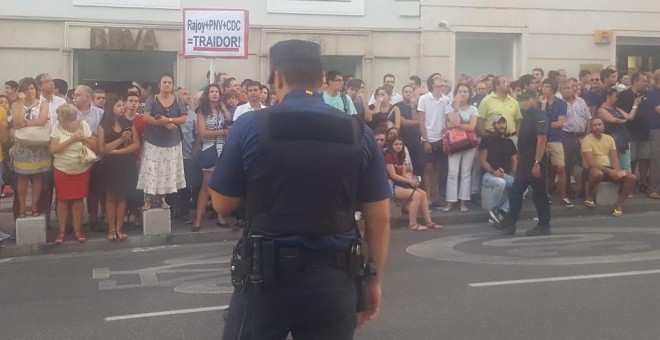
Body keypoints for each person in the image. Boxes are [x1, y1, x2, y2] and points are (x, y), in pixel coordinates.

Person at [210, 39, 390, 339]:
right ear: (322, 79)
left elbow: (221, 202)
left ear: (278, 78)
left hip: (265, 281)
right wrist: (373, 280)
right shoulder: (360, 132)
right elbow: (380, 217)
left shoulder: (250, 126)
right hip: (334, 281)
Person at [492, 91, 551, 236]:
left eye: (526, 100)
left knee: (539, 194)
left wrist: (537, 162)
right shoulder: (526, 117)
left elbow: (542, 140)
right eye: (521, 100)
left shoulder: (540, 116)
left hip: (535, 160)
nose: (523, 103)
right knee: (516, 192)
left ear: (534, 99)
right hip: (524, 160)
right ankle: (509, 223)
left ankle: (544, 225)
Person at [138, 74, 187, 210]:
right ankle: (148, 200)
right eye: (164, 82)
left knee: (166, 170)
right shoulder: (152, 99)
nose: (167, 85)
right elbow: (146, 117)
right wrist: (163, 123)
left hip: (172, 141)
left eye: (169, 82)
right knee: (151, 170)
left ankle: (162, 199)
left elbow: (183, 118)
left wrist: (169, 120)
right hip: (153, 140)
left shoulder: (177, 100)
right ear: (159, 84)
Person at [50, 104, 96, 244]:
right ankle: (62, 231)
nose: (57, 118)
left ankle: (78, 230)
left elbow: (94, 144)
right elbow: (53, 149)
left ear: (68, 118)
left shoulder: (83, 125)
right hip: (62, 169)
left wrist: (82, 138)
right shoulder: (56, 128)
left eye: (60, 116)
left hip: (81, 169)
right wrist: (72, 139)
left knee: (78, 200)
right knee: (62, 200)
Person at [98, 94, 141, 241]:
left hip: (125, 163)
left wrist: (118, 151)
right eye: (118, 105)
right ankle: (111, 229)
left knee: (123, 197)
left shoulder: (129, 124)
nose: (122, 108)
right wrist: (121, 140)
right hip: (110, 165)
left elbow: (136, 144)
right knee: (110, 198)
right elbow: (102, 149)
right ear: (111, 107)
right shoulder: (103, 126)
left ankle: (119, 227)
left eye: (123, 105)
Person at [9, 77, 52, 217]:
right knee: (22, 177)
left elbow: (42, 121)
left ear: (36, 89)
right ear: (21, 91)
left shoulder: (43, 104)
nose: (30, 92)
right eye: (26, 89)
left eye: (32, 88)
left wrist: (25, 124)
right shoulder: (16, 105)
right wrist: (20, 103)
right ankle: (22, 207)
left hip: (39, 145)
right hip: (22, 146)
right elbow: (16, 122)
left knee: (38, 176)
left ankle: (34, 206)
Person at [582, 118, 637, 216]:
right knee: (597, 174)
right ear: (591, 128)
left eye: (600, 124)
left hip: (608, 169)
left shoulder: (609, 139)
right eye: (595, 125)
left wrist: (617, 171)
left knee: (632, 178)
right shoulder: (587, 140)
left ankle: (618, 206)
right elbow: (590, 162)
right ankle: (589, 195)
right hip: (592, 169)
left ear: (603, 126)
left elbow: (615, 158)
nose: (598, 127)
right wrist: (609, 171)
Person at [193, 84, 230, 231]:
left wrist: (224, 107)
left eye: (217, 92)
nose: (215, 94)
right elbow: (203, 133)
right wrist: (222, 132)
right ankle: (198, 219)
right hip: (209, 149)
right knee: (206, 186)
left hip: (223, 149)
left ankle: (221, 217)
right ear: (207, 94)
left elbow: (229, 118)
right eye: (212, 92)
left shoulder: (221, 110)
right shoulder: (202, 111)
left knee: (220, 186)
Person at [384, 136, 439, 231]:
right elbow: (393, 175)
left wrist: (412, 180)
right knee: (416, 195)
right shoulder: (388, 156)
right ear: (391, 145)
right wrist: (409, 181)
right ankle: (412, 223)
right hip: (391, 185)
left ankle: (428, 221)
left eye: (400, 144)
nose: (398, 146)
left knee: (423, 193)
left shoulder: (401, 155)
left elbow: (403, 173)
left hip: (400, 183)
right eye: (396, 144)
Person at [73, 85, 104, 231]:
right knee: (75, 192)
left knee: (94, 191)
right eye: (74, 94)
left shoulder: (100, 114)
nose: (75, 97)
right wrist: (89, 137)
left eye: (78, 95)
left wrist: (82, 137)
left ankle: (93, 219)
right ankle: (73, 223)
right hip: (74, 159)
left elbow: (101, 138)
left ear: (88, 98)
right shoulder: (70, 113)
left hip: (94, 158)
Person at [443, 83, 478, 212]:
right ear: (456, 93)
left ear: (469, 94)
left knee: (466, 172)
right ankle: (450, 202)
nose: (462, 94)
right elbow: (452, 124)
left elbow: (472, 127)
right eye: (460, 91)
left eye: (465, 91)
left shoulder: (473, 109)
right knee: (452, 172)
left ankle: (463, 201)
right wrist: (456, 109)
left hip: (469, 144)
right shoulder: (449, 108)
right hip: (453, 143)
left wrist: (458, 125)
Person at [418, 72, 451, 207]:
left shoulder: (446, 100)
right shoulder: (424, 99)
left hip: (441, 138)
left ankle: (435, 196)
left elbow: (448, 118)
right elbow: (421, 120)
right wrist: (425, 140)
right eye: (437, 78)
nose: (441, 79)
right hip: (428, 138)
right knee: (428, 168)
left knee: (438, 168)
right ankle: (427, 198)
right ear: (432, 83)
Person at [540, 79, 572, 207]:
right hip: (542, 139)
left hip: (556, 139)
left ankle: (564, 197)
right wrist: (543, 106)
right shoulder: (539, 103)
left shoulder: (561, 104)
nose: (544, 89)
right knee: (544, 169)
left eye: (547, 86)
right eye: (543, 86)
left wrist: (545, 124)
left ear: (553, 89)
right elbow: (539, 122)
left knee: (560, 168)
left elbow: (560, 123)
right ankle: (545, 195)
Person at [480, 115, 517, 223]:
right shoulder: (487, 139)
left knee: (521, 187)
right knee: (500, 183)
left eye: (503, 123)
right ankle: (493, 211)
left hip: (505, 175)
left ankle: (502, 211)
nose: (502, 125)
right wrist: (493, 171)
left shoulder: (509, 142)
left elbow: (515, 162)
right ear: (494, 125)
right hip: (488, 175)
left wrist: (513, 176)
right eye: (499, 123)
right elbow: (482, 160)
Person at [617, 72, 650, 193]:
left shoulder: (646, 95)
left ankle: (643, 181)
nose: (646, 83)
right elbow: (621, 113)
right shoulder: (623, 95)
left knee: (645, 157)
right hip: (630, 131)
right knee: (631, 159)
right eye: (644, 81)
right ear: (636, 81)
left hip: (645, 131)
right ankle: (630, 182)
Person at [597, 88, 640, 173]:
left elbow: (629, 117)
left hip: (623, 139)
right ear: (608, 96)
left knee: (626, 165)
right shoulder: (601, 110)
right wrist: (624, 121)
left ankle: (627, 182)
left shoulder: (616, 108)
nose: (617, 99)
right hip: (611, 140)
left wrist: (635, 105)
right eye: (615, 96)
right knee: (613, 165)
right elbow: (613, 120)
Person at [561, 78, 591, 198]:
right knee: (567, 164)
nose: (568, 90)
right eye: (565, 89)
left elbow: (588, 119)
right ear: (561, 91)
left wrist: (587, 136)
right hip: (566, 136)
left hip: (582, 136)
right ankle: (567, 190)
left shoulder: (581, 101)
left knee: (583, 164)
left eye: (570, 87)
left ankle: (583, 189)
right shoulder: (559, 103)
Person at [476, 75, 522, 141]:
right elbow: (480, 121)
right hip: (492, 138)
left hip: (511, 138)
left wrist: (516, 135)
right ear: (497, 86)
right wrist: (485, 136)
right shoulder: (486, 101)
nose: (508, 84)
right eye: (504, 82)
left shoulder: (514, 101)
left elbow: (518, 120)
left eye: (508, 82)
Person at [396, 84, 423, 176]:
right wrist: (418, 122)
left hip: (417, 140)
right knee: (405, 164)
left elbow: (420, 120)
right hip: (404, 140)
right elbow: (402, 122)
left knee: (418, 165)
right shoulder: (398, 106)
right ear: (402, 93)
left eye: (410, 92)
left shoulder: (419, 105)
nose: (408, 94)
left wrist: (412, 107)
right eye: (406, 92)